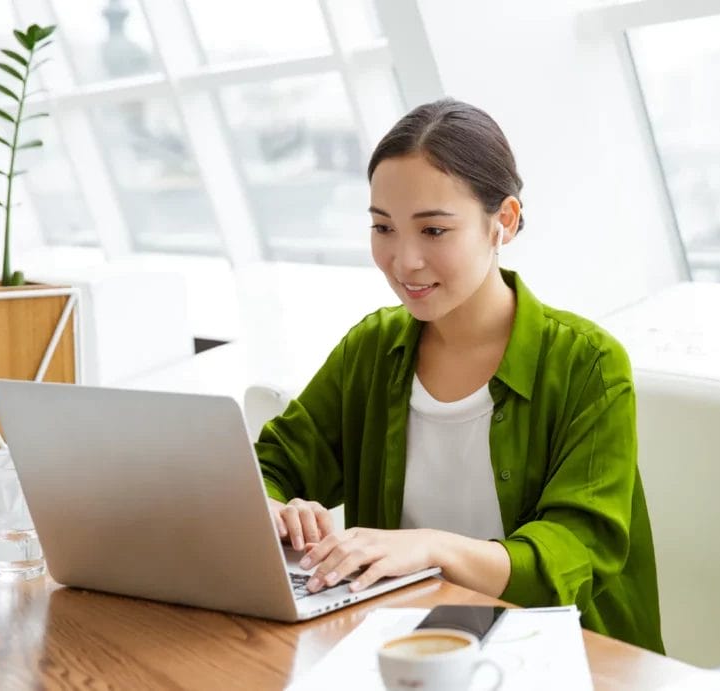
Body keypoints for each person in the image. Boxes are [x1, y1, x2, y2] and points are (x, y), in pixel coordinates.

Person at [255, 98, 664, 653]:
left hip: (564, 656)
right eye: (383, 227)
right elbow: (268, 466)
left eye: (434, 231)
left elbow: (575, 551)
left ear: (505, 222)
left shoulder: (587, 364)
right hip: (402, 651)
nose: (404, 262)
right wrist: (280, 511)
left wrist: (431, 547)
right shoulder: (371, 349)